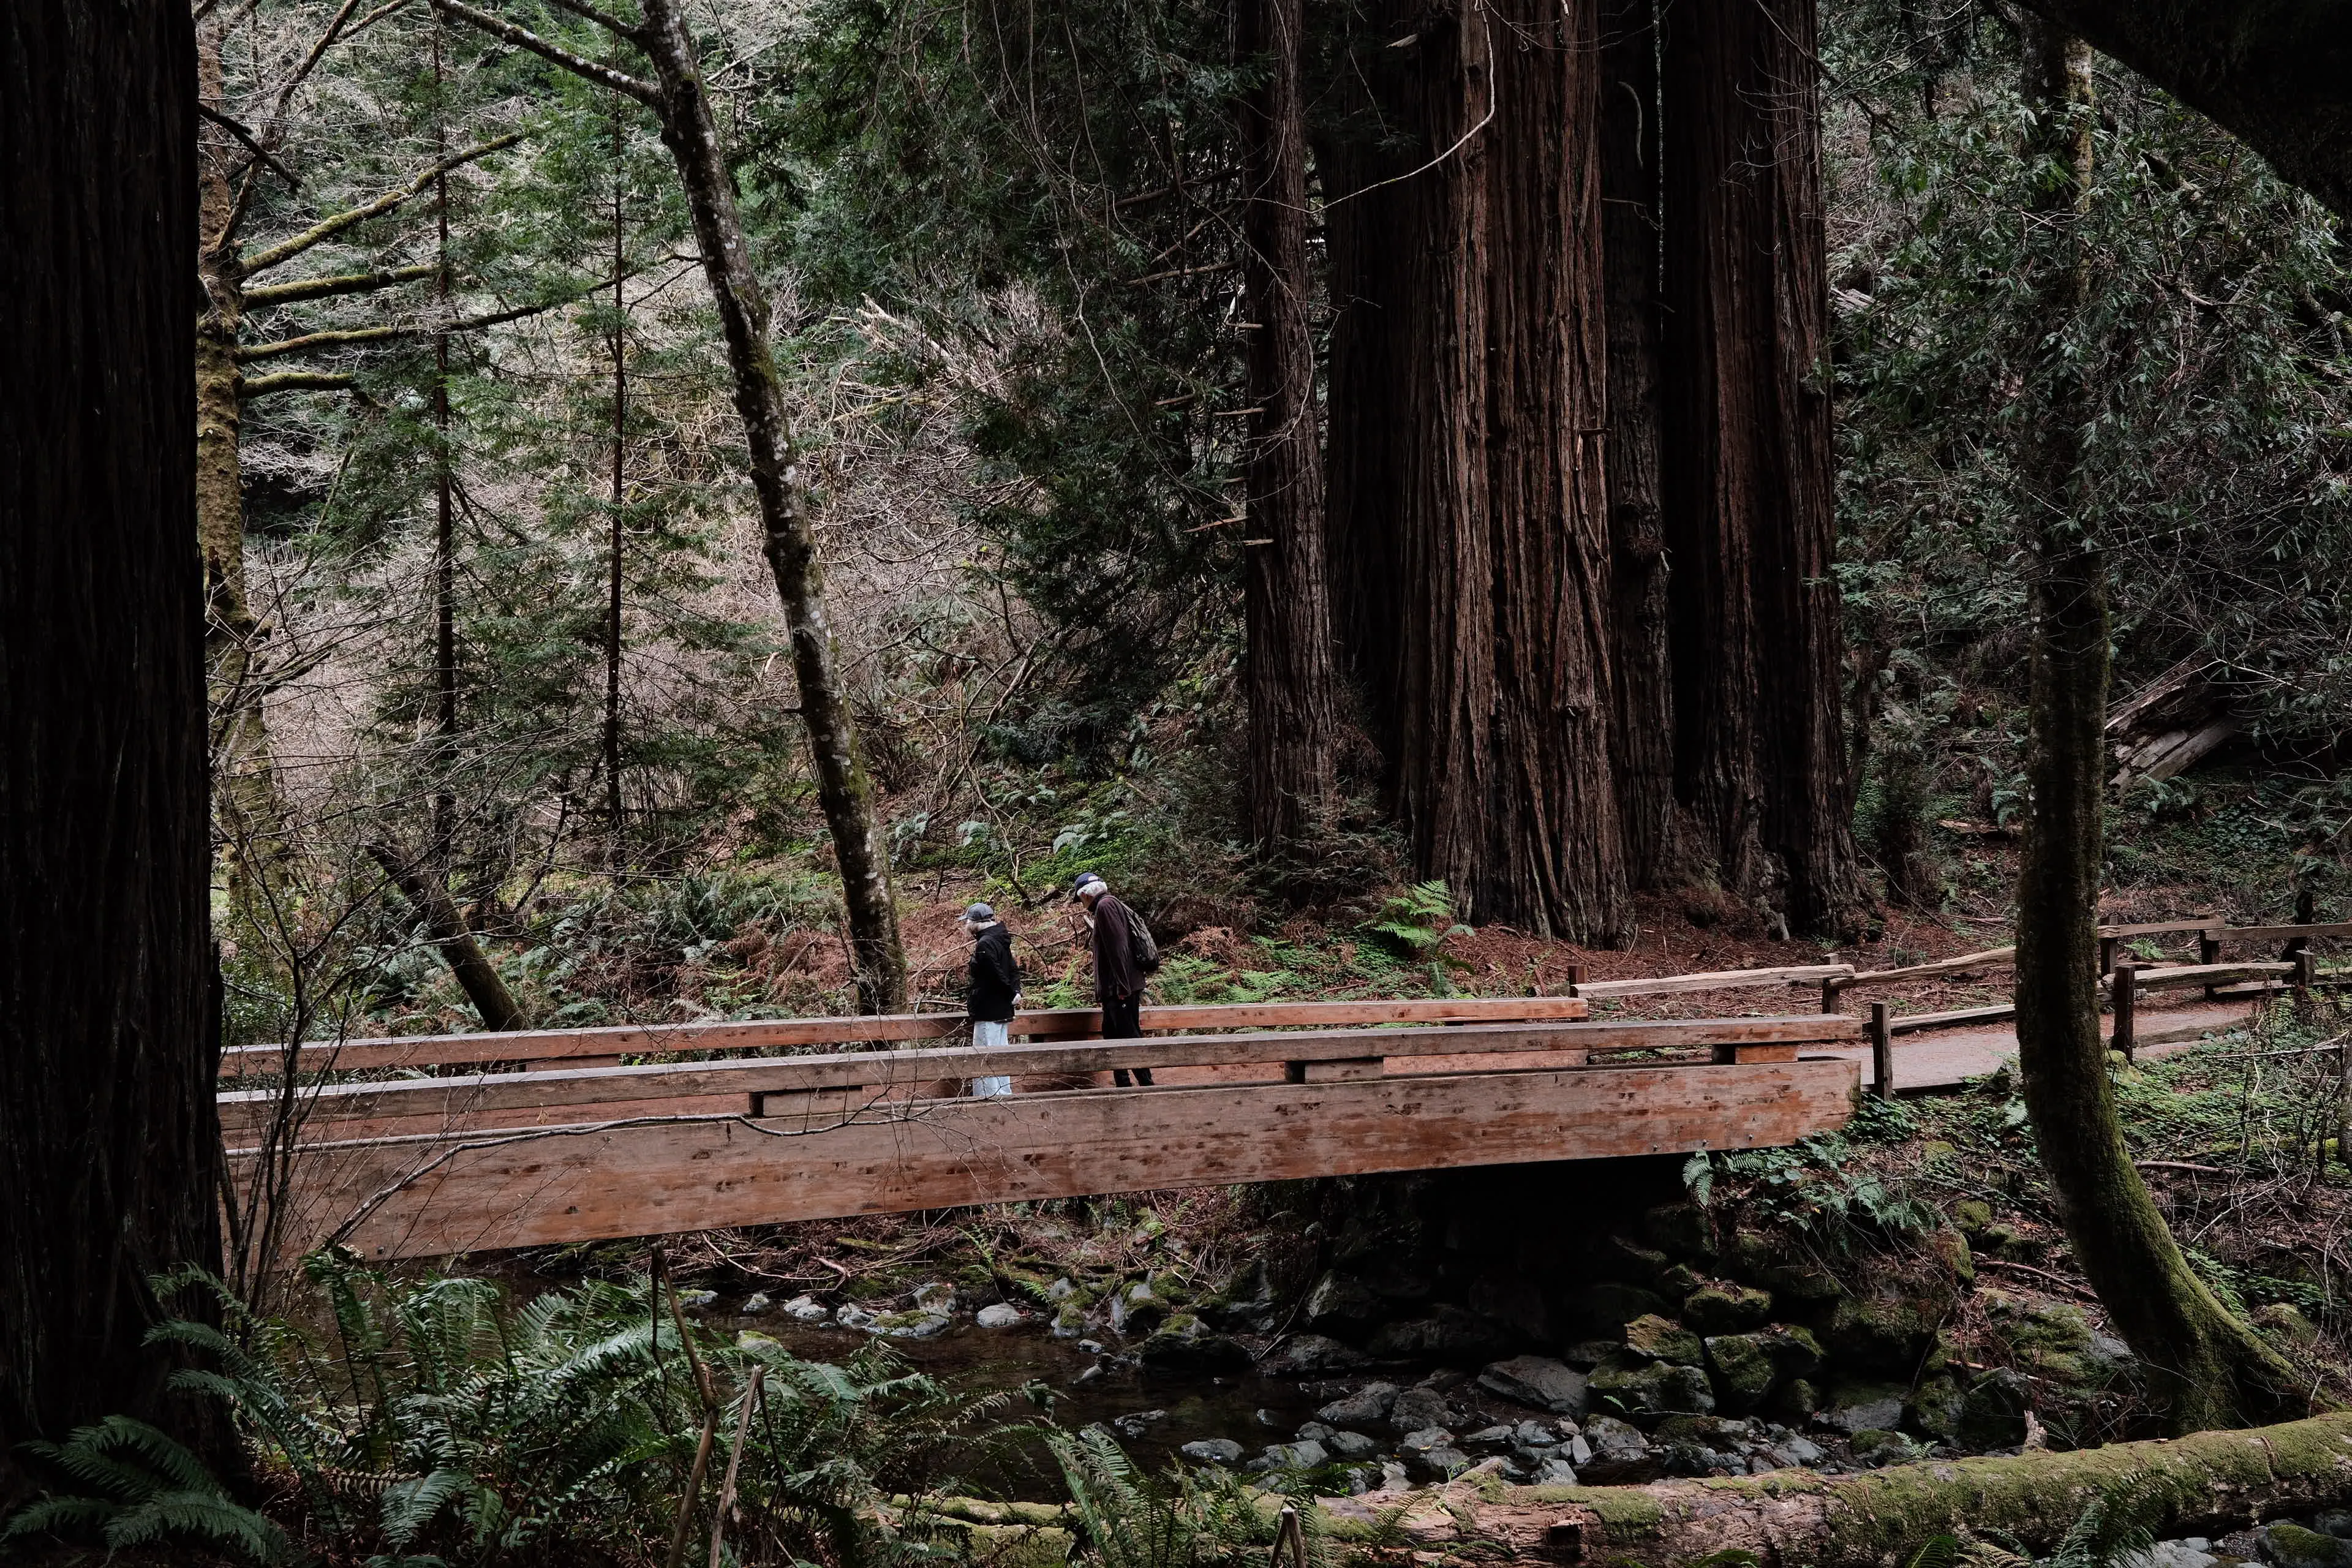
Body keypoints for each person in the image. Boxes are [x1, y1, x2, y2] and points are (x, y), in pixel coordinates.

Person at [1074, 872, 1153, 1086]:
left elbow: (1119, 949)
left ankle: (1146, 1084)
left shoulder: (1105, 907)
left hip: (1120, 989)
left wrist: (1122, 987)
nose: (1082, 905)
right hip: (1118, 988)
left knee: (1129, 1036)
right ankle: (1123, 1082)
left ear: (1085, 895)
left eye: (1080, 900)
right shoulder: (1111, 904)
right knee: (1112, 1034)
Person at [961, 902, 1017, 1097]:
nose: (966, 926)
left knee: (984, 1059)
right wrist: (1015, 992)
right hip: (1003, 1009)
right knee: (1000, 1056)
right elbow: (1012, 969)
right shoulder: (1001, 939)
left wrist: (1011, 992)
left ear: (974, 924)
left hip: (989, 1010)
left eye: (967, 922)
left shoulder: (985, 943)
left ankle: (987, 1101)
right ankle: (1004, 1096)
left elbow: (995, 974)